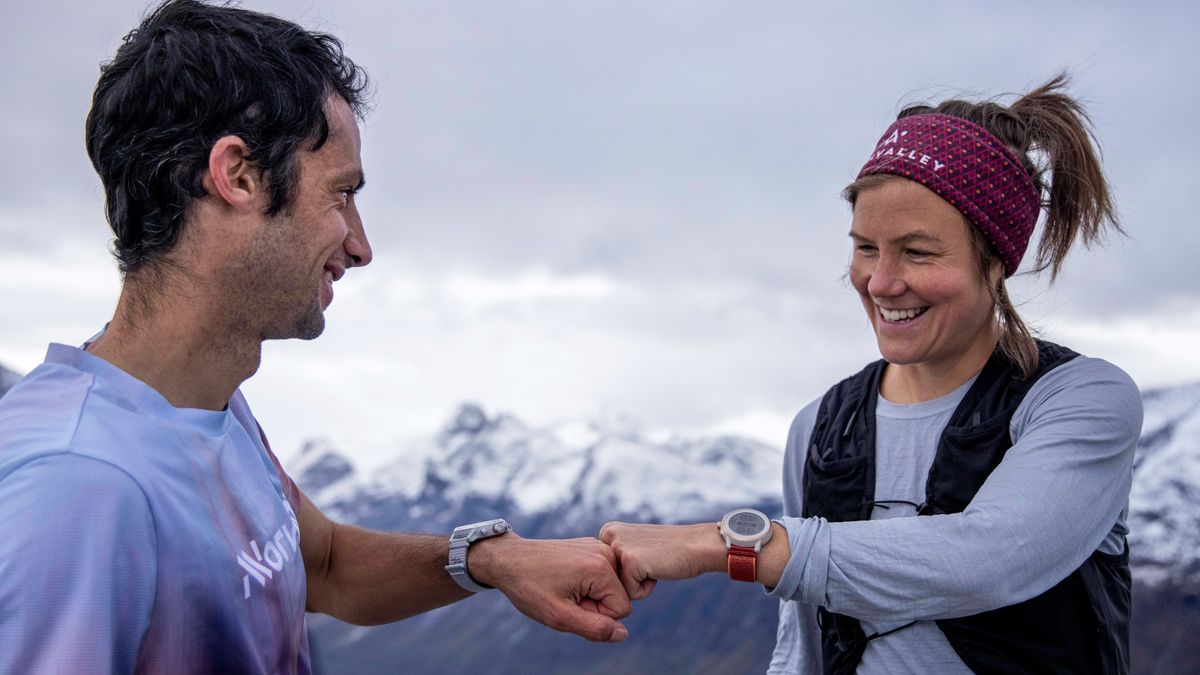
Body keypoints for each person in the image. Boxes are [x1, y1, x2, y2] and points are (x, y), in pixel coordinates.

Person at [0, 1, 632, 672]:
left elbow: (326, 565)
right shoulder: (77, 490)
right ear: (237, 175)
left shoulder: (202, 401)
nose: (360, 246)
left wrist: (493, 559)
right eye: (340, 194)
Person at [601, 75, 1140, 674]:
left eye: (917, 252)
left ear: (996, 261)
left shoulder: (1078, 399)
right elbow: (803, 644)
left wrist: (716, 544)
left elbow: (991, 558)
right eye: (864, 248)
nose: (881, 282)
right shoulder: (822, 427)